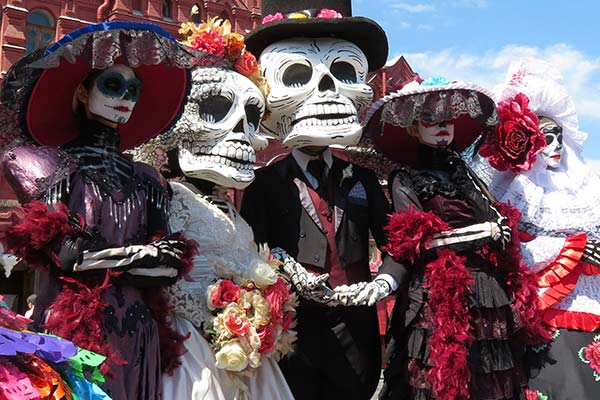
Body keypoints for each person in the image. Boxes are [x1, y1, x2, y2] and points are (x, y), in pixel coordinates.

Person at [0, 22, 213, 399]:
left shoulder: (149, 179)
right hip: (72, 334)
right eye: (113, 85)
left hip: (138, 335)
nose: (126, 99)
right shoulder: (45, 165)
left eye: (134, 90)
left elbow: (168, 270)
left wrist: (124, 259)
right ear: (83, 92)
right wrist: (143, 254)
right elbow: (68, 258)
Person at [241, 1, 406, 398]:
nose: (327, 89)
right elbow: (252, 249)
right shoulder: (265, 182)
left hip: (356, 331)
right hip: (294, 331)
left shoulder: (362, 177)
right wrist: (286, 268)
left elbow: (396, 242)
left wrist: (383, 282)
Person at [350, 76, 547, 400]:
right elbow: (417, 242)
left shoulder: (467, 175)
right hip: (438, 292)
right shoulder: (406, 178)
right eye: (430, 120)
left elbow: (492, 217)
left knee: (488, 379)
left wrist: (497, 227)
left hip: (486, 295)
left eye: (448, 120)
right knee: (438, 377)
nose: (442, 126)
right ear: (414, 129)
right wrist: (483, 234)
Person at [135, 16, 298, 399]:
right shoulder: (171, 197)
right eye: (217, 110)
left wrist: (259, 317)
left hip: (242, 350)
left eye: (252, 118)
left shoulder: (233, 211)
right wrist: (223, 321)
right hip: (192, 348)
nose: (242, 132)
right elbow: (163, 279)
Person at [478, 57, 600, 400]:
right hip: (539, 316)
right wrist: (572, 249)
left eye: (559, 136)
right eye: (547, 138)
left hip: (592, 309)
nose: (557, 146)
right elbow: (512, 251)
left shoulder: (587, 189)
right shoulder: (514, 192)